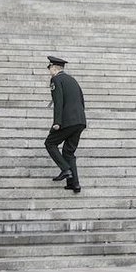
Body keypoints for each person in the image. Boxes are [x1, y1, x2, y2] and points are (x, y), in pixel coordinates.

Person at [45, 56, 87, 192]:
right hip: (79, 121)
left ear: (54, 68)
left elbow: (59, 102)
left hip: (67, 121)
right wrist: (80, 118)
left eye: (49, 68)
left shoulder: (56, 79)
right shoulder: (72, 80)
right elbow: (81, 100)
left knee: (50, 143)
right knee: (69, 152)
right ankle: (74, 184)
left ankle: (65, 169)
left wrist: (57, 122)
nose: (49, 71)